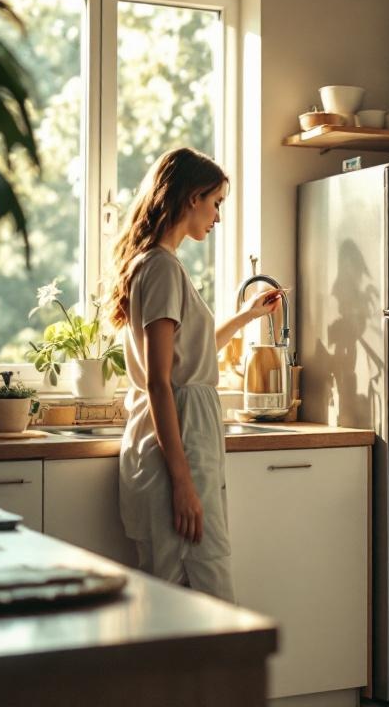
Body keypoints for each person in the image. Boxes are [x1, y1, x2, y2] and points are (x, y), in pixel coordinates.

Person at [109, 147, 281, 602]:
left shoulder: (152, 264)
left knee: (176, 600)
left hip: (177, 441)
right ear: (191, 197)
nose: (218, 217)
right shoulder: (162, 267)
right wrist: (182, 481)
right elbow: (159, 381)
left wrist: (244, 317)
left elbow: (187, 357)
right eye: (216, 203)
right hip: (178, 449)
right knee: (204, 597)